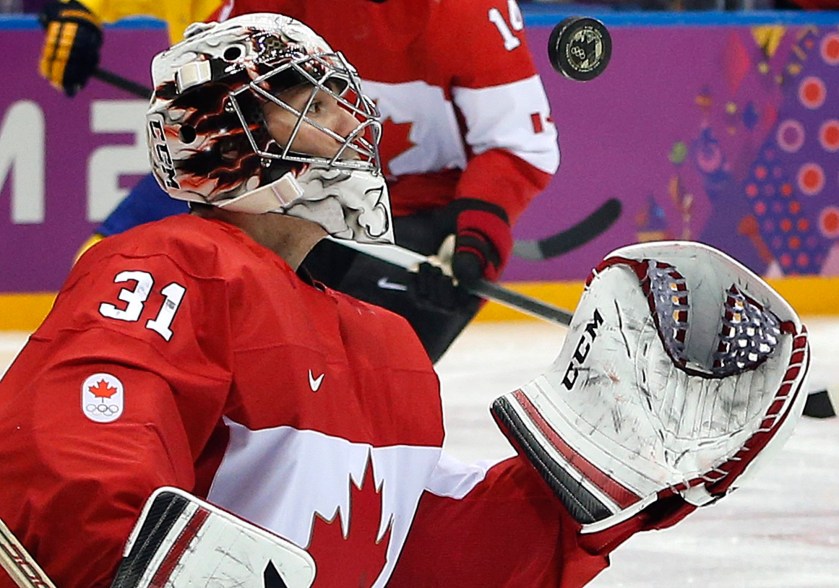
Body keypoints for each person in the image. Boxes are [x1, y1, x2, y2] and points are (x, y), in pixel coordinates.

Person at [2, 13, 811, 588]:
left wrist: (600, 485)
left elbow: (415, 550)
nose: (358, 125)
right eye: (315, 106)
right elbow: (76, 462)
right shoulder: (167, 264)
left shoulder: (386, 346)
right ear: (229, 134)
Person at [37, 0, 560, 363]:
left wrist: (476, 233)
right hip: (297, 194)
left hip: (421, 219)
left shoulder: (468, 13)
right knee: (235, 360)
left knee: (357, 388)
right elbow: (214, 89)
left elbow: (516, 144)